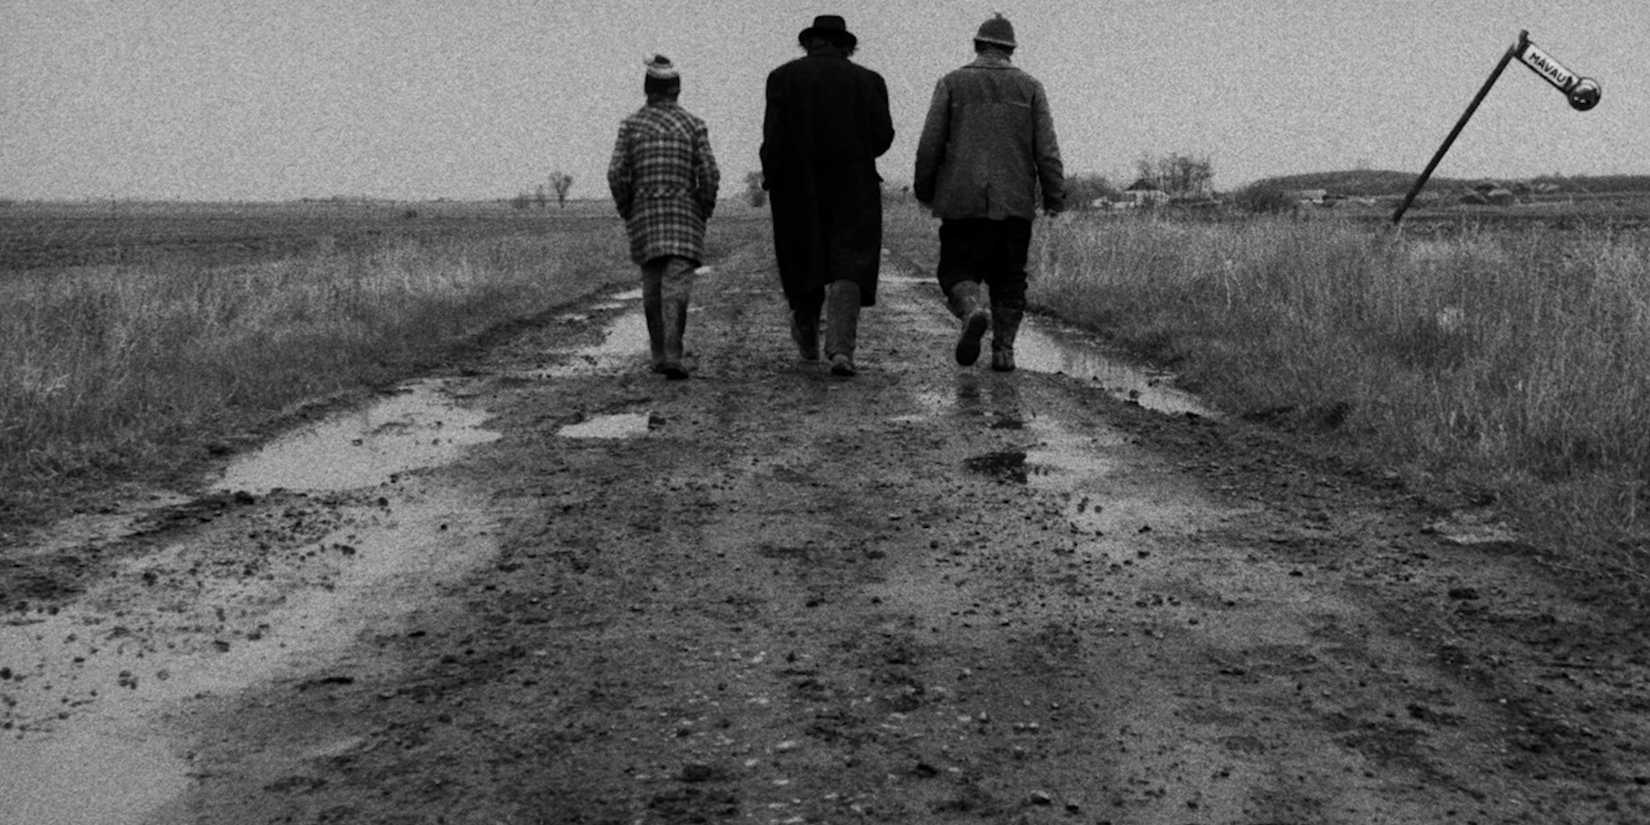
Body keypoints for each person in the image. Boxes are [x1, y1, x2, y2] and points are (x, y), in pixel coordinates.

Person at [913, 13, 1065, 372]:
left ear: (977, 45)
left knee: (956, 269)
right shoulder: (1031, 87)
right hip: (1014, 203)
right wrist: (1055, 197)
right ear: (1010, 50)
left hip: (961, 201)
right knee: (1009, 276)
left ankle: (971, 311)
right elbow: (1047, 150)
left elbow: (929, 145)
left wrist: (925, 189)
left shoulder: (951, 83)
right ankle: (1004, 351)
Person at [760, 15, 895, 377]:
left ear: (810, 42)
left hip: (796, 187)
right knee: (849, 263)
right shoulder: (869, 81)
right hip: (854, 187)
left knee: (803, 259)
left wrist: (771, 177)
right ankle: (840, 350)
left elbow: (772, 138)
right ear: (846, 45)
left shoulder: (782, 78)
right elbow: (882, 139)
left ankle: (807, 341)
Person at [607, 54, 721, 379]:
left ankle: (659, 355)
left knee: (652, 285)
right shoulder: (694, 125)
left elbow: (616, 172)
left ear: (647, 89)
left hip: (645, 217)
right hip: (685, 216)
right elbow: (710, 173)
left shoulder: (631, 126)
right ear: (677, 89)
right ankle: (674, 351)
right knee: (677, 284)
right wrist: (703, 208)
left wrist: (628, 207)